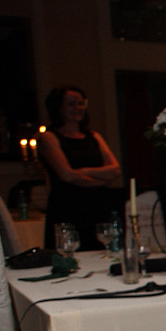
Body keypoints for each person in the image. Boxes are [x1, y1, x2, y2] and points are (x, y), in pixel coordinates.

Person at [36, 85, 121, 250]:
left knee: (102, 251)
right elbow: (67, 176)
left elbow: (115, 169)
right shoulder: (49, 137)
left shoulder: (94, 136)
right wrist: (100, 181)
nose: (78, 108)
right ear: (59, 108)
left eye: (81, 103)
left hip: (97, 206)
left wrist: (85, 171)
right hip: (68, 206)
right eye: (71, 104)